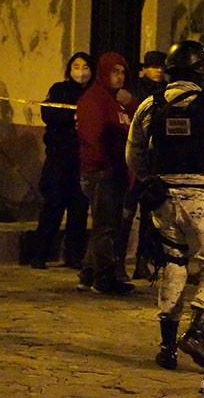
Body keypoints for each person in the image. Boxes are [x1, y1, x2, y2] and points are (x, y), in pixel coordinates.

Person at [126, 40, 204, 371]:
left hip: (163, 199)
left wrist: (152, 178)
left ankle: (167, 347)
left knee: (172, 264)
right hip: (203, 199)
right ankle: (196, 332)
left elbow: (133, 155)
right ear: (202, 71)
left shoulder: (149, 105)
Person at [76, 52, 138, 295]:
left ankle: (88, 274)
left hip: (117, 170)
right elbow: (92, 137)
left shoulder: (119, 101)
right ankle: (103, 278)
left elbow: (136, 124)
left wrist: (131, 103)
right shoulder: (94, 99)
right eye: (114, 72)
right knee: (105, 227)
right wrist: (103, 165)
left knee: (107, 225)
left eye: (122, 72)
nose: (119, 77)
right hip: (103, 171)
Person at [31, 52, 92, 270]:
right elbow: (48, 113)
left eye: (85, 67)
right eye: (76, 66)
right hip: (59, 158)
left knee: (79, 209)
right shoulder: (59, 90)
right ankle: (39, 254)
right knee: (53, 206)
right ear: (69, 69)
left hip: (83, 159)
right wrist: (72, 117)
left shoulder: (94, 95)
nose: (81, 72)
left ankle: (73, 256)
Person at [116, 50, 169, 281]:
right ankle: (119, 261)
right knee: (126, 214)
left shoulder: (167, 90)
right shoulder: (135, 90)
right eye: (154, 66)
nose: (158, 71)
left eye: (161, 67)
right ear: (144, 69)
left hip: (156, 160)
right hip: (136, 160)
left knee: (150, 217)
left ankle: (142, 261)